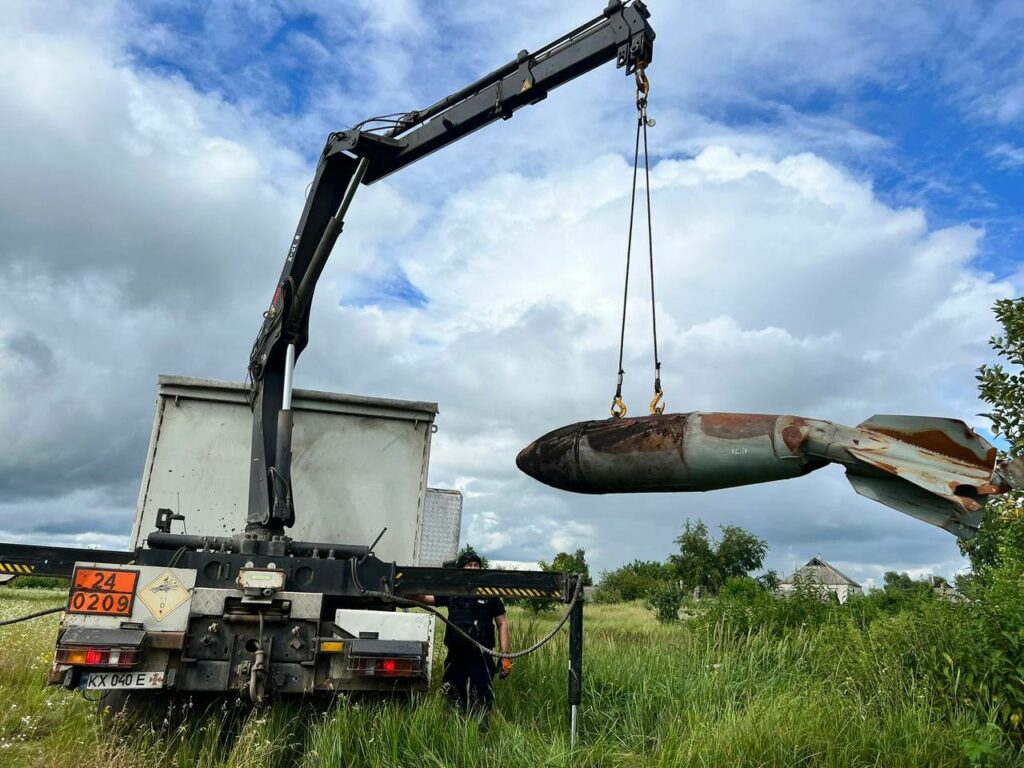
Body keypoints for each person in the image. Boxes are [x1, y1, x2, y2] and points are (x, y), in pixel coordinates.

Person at [417, 550, 511, 721]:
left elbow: (502, 623)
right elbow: (424, 599)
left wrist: (505, 656)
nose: (473, 568)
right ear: (461, 569)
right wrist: (415, 583)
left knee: (483, 703)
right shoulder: (452, 591)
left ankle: (482, 739)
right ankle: (453, 734)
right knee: (452, 699)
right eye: (469, 565)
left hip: (482, 657)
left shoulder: (491, 593)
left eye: (476, 565)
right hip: (456, 657)